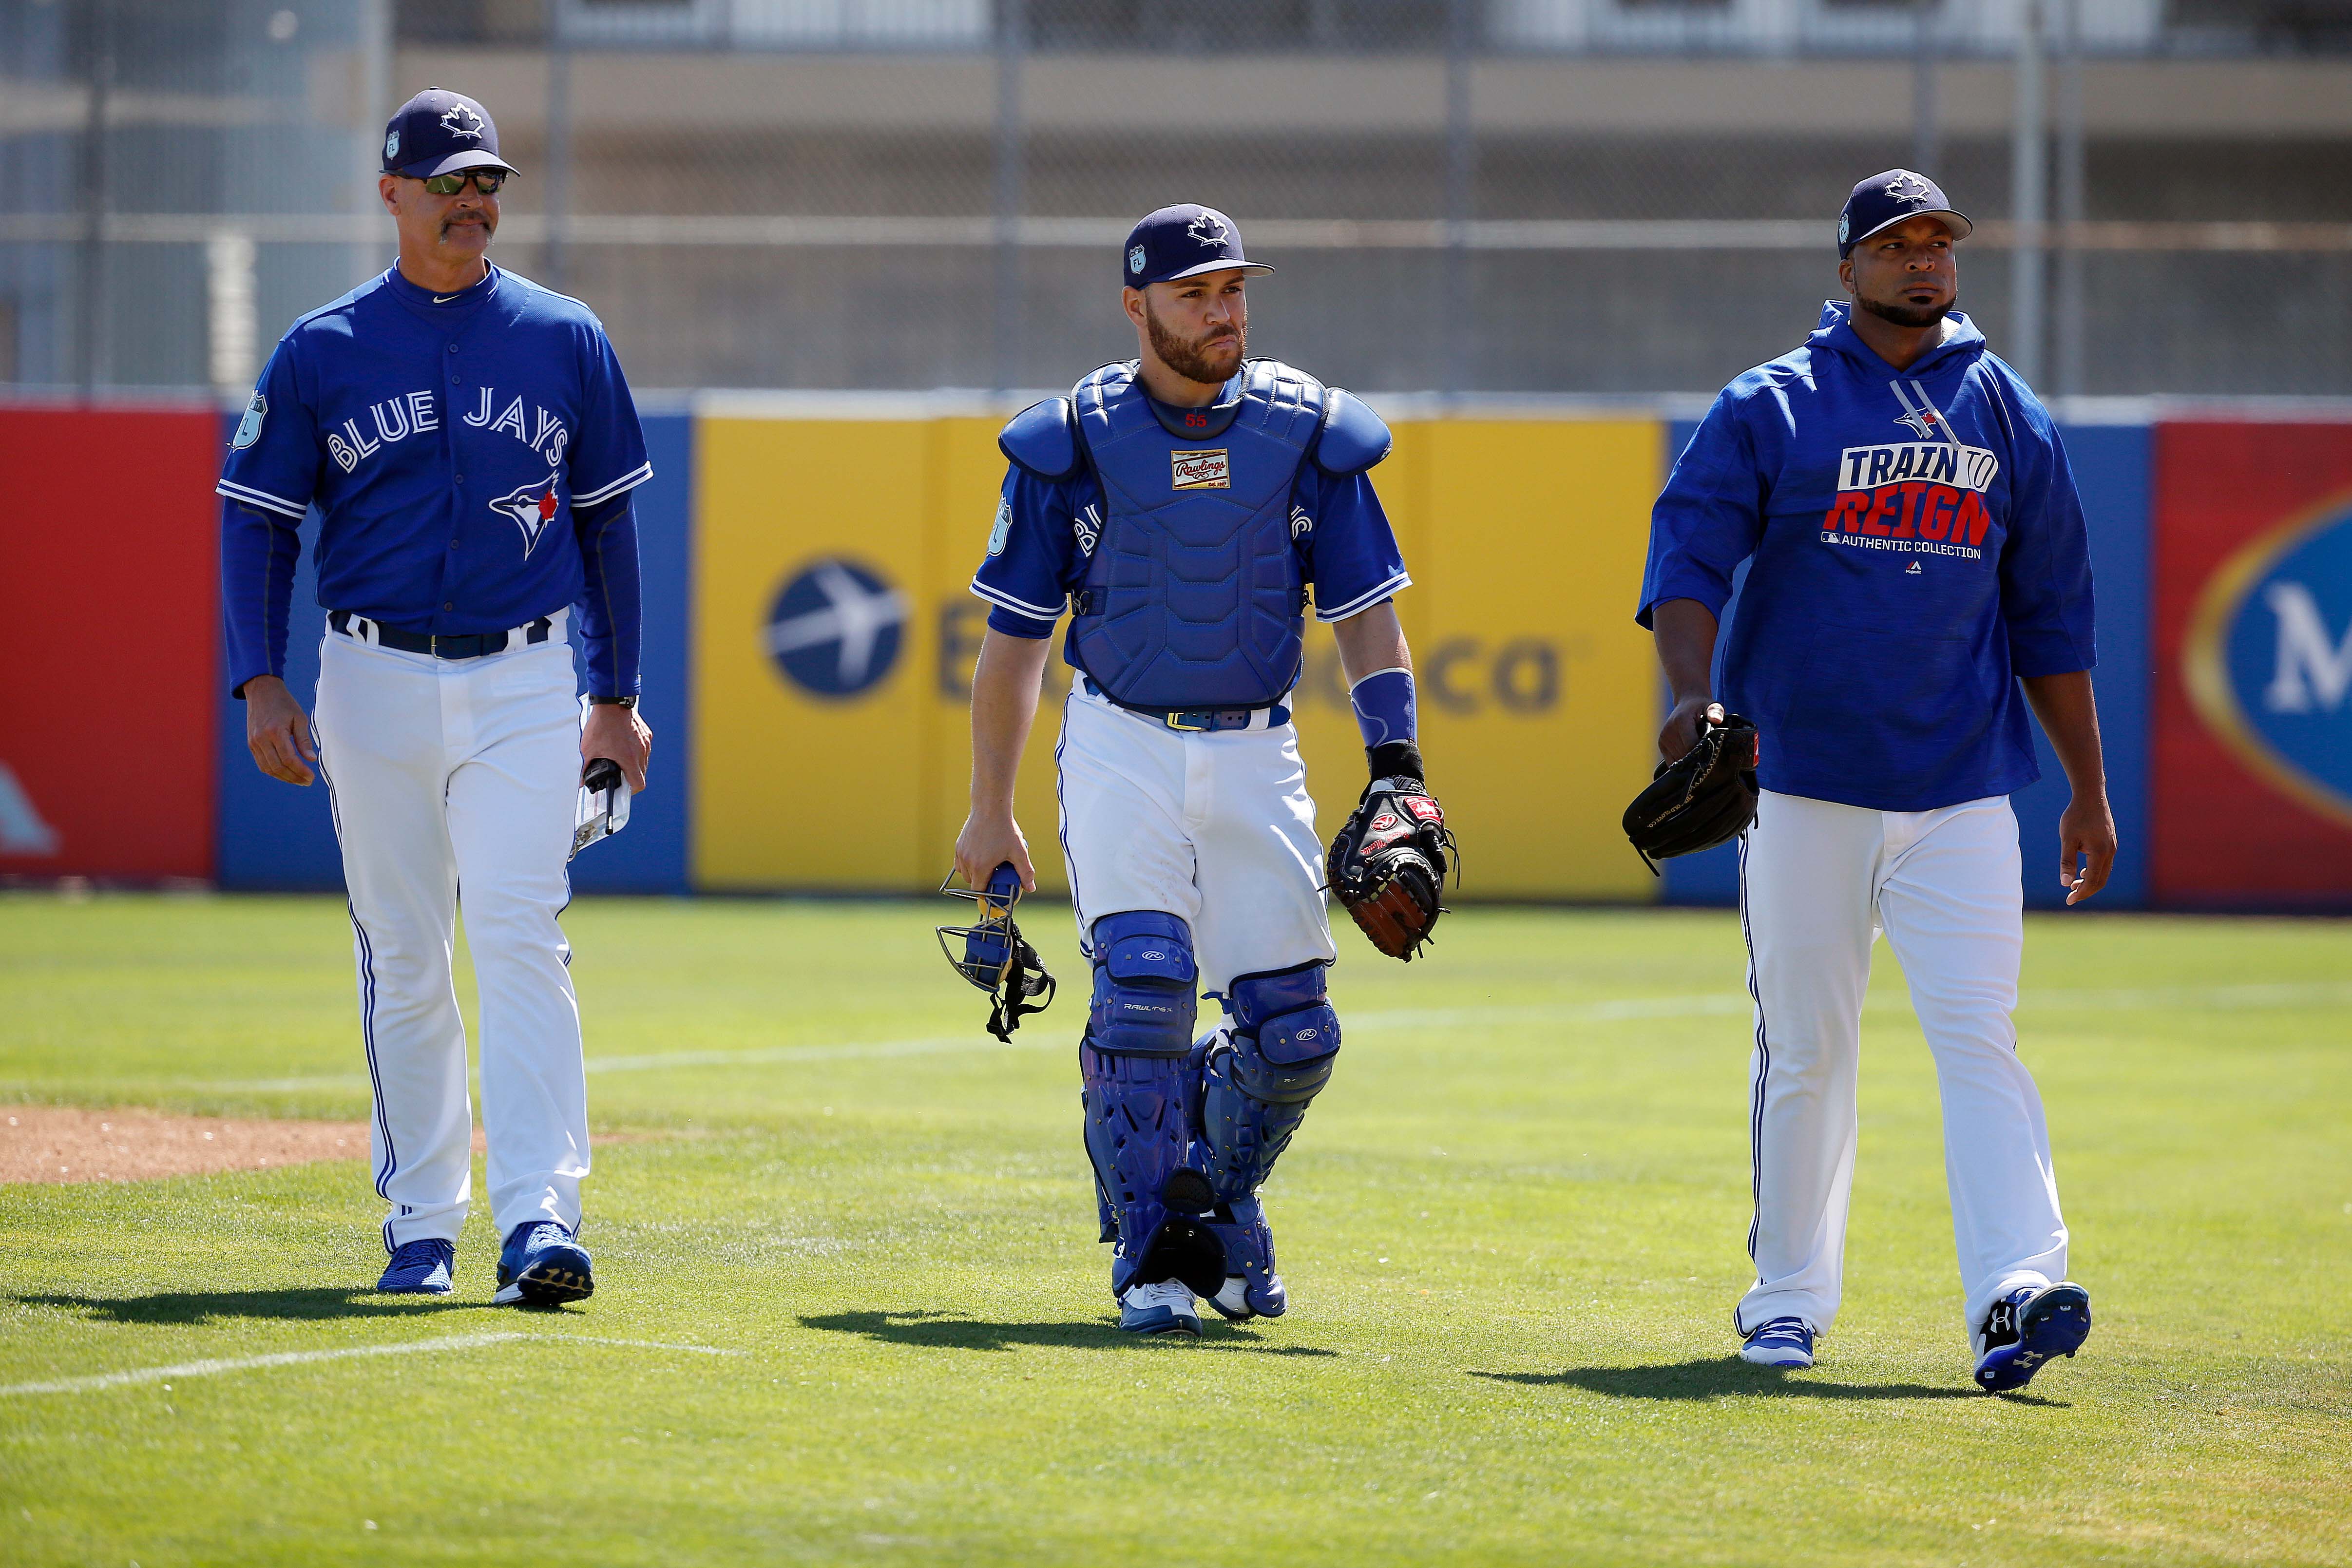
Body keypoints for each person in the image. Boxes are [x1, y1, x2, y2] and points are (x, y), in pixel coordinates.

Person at [1637, 170, 2113, 1392]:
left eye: (1938, 242)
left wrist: (2087, 789)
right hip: (1799, 781)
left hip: (1959, 787)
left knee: (1979, 1040)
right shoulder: (1773, 406)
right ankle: (1785, 1302)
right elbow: (1688, 554)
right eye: (1894, 244)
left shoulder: (2008, 413)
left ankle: (2012, 1288)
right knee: (1806, 1049)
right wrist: (1686, 693)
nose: (1922, 260)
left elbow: (2051, 617)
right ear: (1842, 269)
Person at [956, 205, 1434, 1336]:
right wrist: (989, 812)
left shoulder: (1309, 432)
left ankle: (1213, 1211)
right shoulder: (1067, 441)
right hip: (1120, 738)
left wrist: (1399, 767)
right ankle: (1149, 1264)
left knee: (1294, 1035)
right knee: (1144, 996)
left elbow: (1367, 621)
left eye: (1233, 292)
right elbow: (1014, 646)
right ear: (1136, 307)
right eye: (1193, 295)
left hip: (1256, 743)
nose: (1221, 313)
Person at [218, 88, 653, 1305]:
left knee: (520, 932)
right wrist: (260, 679)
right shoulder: (323, 346)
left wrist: (614, 698)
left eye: (489, 181)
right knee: (405, 952)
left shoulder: (564, 335)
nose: (474, 199)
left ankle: (538, 1219)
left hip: (526, 675)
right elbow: (257, 522)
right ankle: (422, 1218)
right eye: (450, 179)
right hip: (370, 677)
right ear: (392, 193)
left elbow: (613, 528)